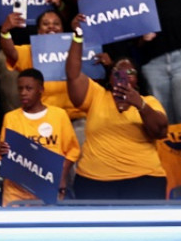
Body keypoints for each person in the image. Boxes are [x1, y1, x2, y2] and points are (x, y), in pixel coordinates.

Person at [64, 46, 167, 200]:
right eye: (117, 72)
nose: (124, 76)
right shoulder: (96, 95)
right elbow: (73, 75)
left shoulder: (148, 102)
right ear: (110, 78)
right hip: (94, 181)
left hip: (144, 179)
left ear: (137, 78)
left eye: (130, 73)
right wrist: (78, 37)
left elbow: (161, 131)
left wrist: (140, 105)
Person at [0, 68, 80, 203]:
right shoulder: (10, 118)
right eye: (20, 89)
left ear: (41, 89)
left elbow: (72, 151)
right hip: (16, 194)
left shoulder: (59, 115)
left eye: (28, 88)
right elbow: (4, 154)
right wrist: (2, 151)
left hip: (48, 190)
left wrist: (62, 178)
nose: (23, 93)